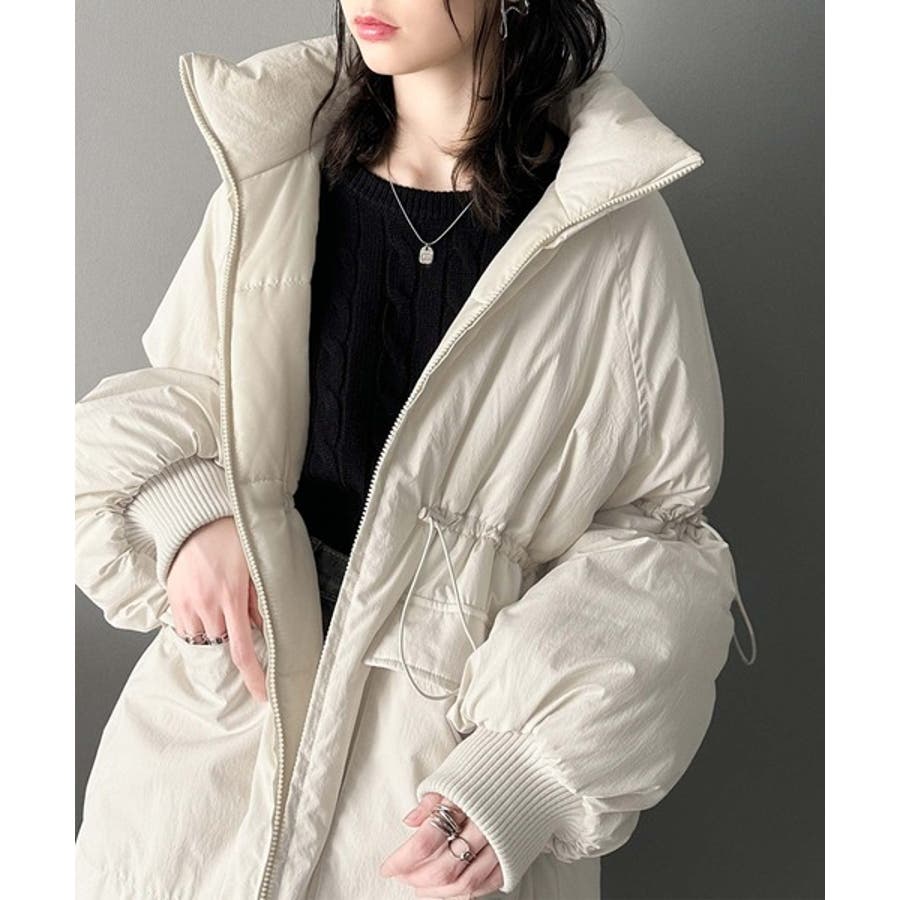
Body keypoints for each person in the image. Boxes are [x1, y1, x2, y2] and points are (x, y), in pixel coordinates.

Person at [74, 3, 758, 899]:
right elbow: (183, 395)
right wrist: (189, 517)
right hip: (212, 758)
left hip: (438, 785)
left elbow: (658, 538)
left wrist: (524, 770)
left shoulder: (605, 225)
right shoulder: (277, 178)